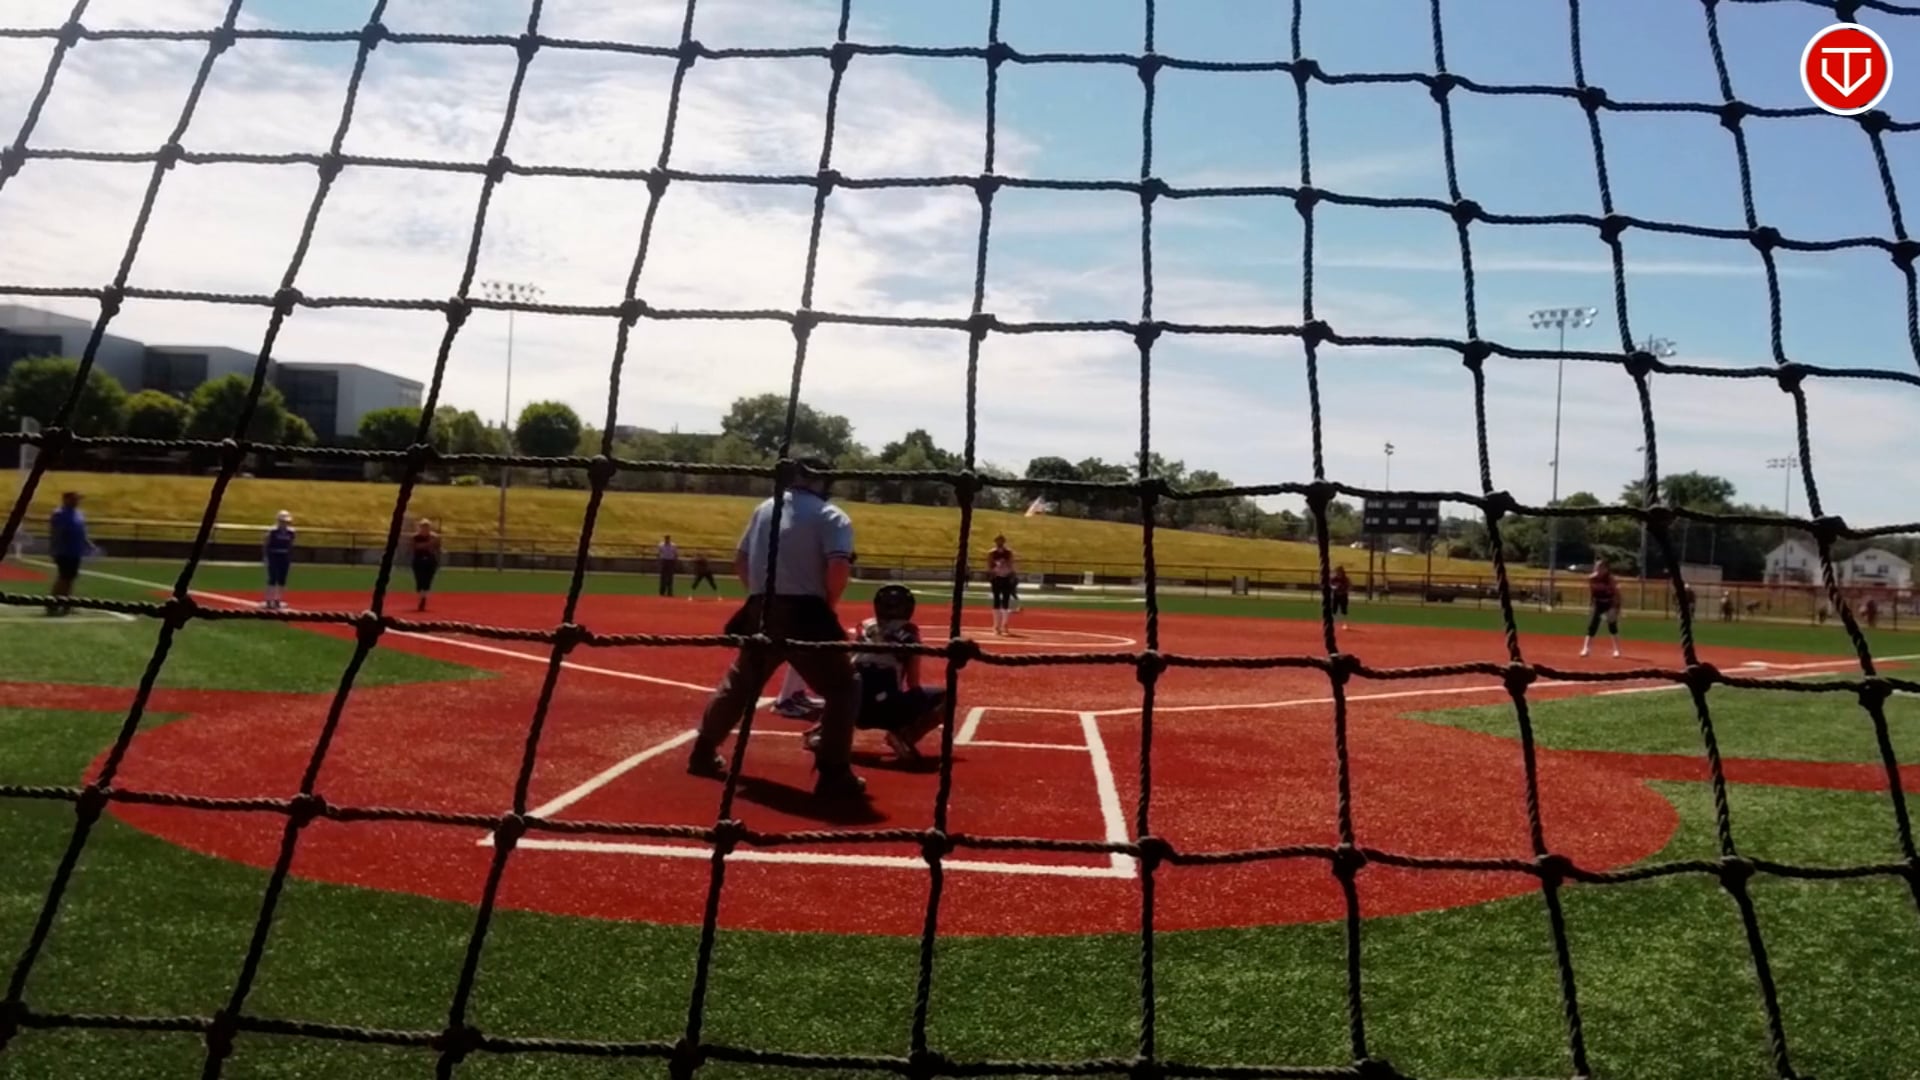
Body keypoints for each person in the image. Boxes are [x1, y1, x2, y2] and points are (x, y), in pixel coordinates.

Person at [687, 451, 866, 800]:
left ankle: (702, 752)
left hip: (761, 608)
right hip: (806, 612)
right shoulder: (831, 515)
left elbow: (741, 561)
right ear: (821, 479)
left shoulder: (765, 509)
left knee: (740, 683)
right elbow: (838, 568)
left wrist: (759, 596)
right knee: (844, 687)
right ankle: (833, 773)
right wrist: (827, 605)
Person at [801, 585, 946, 762]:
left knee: (845, 686)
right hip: (883, 709)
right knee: (945, 697)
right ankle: (904, 735)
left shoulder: (863, 626)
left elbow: (847, 662)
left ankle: (823, 730)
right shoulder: (910, 634)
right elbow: (913, 683)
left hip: (849, 706)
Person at [47, 490, 92, 618]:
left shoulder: (79, 513)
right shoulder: (59, 514)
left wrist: (87, 543)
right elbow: (56, 533)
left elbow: (81, 531)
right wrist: (54, 549)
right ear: (66, 499)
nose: (77, 501)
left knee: (70, 578)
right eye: (74, 499)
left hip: (75, 551)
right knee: (63, 578)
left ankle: (66, 603)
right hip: (64, 551)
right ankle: (52, 603)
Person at [1582, 558, 1622, 658]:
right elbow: (1592, 592)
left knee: (1612, 625)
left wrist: (1616, 609)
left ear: (1606, 569)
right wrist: (1591, 604)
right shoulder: (1592, 578)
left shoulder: (1610, 579)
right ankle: (1586, 649)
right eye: (1597, 567)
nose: (1598, 569)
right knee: (1593, 625)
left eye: (1600, 567)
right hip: (1598, 603)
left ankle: (1617, 650)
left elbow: (1617, 594)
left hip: (1609, 603)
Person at [262, 510, 296, 610]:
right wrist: (266, 557)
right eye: (282, 521)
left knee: (282, 579)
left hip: (284, 556)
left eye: (286, 522)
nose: (284, 524)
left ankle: (278, 600)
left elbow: (290, 545)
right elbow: (266, 544)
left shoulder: (291, 532)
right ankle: (268, 600)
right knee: (272, 578)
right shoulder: (272, 531)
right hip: (274, 555)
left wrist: (290, 557)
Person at [986, 534, 1018, 636]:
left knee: (1005, 600)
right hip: (996, 577)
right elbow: (989, 565)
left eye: (1001, 541)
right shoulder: (992, 553)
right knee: (996, 600)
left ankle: (1004, 624)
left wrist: (1012, 575)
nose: (999, 543)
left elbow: (1011, 564)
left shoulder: (1008, 552)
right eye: (998, 541)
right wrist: (992, 573)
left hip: (1006, 577)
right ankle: (996, 625)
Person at [410, 518, 442, 612]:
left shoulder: (434, 537)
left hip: (430, 561)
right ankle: (421, 596)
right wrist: (429, 543)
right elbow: (415, 547)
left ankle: (423, 599)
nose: (425, 528)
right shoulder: (416, 537)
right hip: (419, 561)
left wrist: (436, 544)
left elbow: (437, 549)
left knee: (428, 580)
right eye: (423, 526)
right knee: (419, 579)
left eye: (427, 526)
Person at [1330, 565, 1351, 630]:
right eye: (1337, 571)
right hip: (1336, 595)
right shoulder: (1334, 578)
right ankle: (1332, 623)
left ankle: (1345, 624)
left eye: (1339, 571)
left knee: (1344, 610)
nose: (1338, 573)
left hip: (1343, 595)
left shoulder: (1345, 579)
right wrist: (1334, 587)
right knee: (1334, 609)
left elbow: (1349, 586)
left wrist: (1344, 590)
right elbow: (1330, 585)